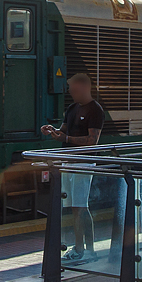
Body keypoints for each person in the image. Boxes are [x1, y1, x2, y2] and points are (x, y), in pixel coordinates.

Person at [40, 73, 104, 263]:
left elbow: (92, 141)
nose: (70, 92)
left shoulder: (96, 110)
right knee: (77, 207)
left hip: (84, 162)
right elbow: (64, 131)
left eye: (74, 89)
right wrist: (53, 131)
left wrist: (66, 139)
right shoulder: (71, 108)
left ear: (84, 88)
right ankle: (86, 249)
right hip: (69, 162)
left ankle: (81, 248)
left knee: (80, 207)